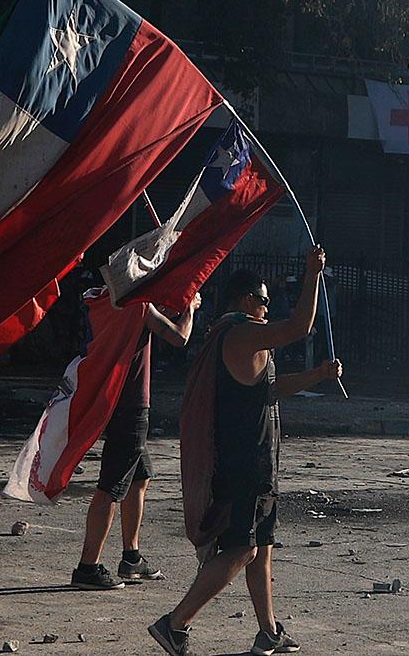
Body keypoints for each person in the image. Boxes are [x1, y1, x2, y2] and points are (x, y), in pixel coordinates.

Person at [149, 247, 342, 656]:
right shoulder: (238, 334)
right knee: (243, 548)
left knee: (262, 549)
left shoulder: (244, 340)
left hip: (258, 461)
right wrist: (312, 274)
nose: (268, 308)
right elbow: (299, 327)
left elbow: (270, 391)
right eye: (265, 300)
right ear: (246, 299)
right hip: (244, 464)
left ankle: (268, 632)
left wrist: (318, 375)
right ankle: (175, 623)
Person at [71, 292, 202, 590]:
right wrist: (190, 309)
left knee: (139, 478)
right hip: (130, 404)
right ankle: (87, 568)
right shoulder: (139, 306)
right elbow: (179, 337)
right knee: (111, 485)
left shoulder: (102, 301)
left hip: (112, 399)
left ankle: (132, 557)